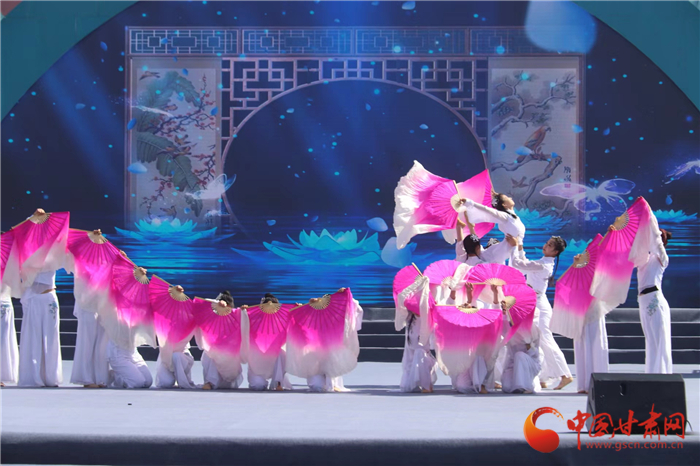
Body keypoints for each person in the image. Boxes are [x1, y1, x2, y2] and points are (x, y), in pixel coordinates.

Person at [511, 236, 573, 390]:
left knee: (546, 339)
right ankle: (544, 377)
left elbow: (518, 264)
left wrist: (514, 247)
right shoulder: (542, 262)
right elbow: (524, 265)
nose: (546, 246)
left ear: (555, 252)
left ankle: (565, 374)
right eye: (547, 243)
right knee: (537, 340)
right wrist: (519, 247)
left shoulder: (544, 265)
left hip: (540, 305)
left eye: (550, 245)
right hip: (534, 302)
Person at [287, 288, 363, 392]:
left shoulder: (334, 316)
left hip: (328, 347)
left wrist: (342, 294)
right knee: (317, 379)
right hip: (317, 350)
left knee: (331, 362)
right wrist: (300, 308)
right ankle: (323, 383)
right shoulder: (312, 315)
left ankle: (331, 383)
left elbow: (353, 304)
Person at [634, 222, 672, 374]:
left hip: (655, 301)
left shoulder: (662, 258)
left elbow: (658, 244)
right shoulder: (644, 257)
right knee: (650, 340)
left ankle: (662, 374)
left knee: (659, 339)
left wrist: (650, 221)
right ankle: (652, 374)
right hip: (643, 301)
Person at [194, 291, 248, 390]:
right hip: (215, 365)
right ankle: (210, 382)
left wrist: (244, 311)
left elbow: (245, 316)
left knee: (220, 353)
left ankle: (218, 381)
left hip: (230, 366)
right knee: (209, 352)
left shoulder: (237, 316)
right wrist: (216, 302)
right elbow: (201, 304)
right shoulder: (211, 317)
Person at [241, 293, 293, 391]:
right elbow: (241, 322)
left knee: (282, 353)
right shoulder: (252, 317)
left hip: (274, 359)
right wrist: (243, 312)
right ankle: (259, 379)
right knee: (258, 386)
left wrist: (299, 309)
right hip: (257, 362)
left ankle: (278, 382)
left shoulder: (283, 319)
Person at [500, 296, 543, 394]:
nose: (504, 310)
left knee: (519, 355)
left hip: (530, 361)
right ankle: (523, 381)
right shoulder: (506, 324)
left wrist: (527, 342)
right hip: (513, 363)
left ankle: (524, 385)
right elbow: (498, 320)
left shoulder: (529, 326)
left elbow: (533, 352)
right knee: (507, 387)